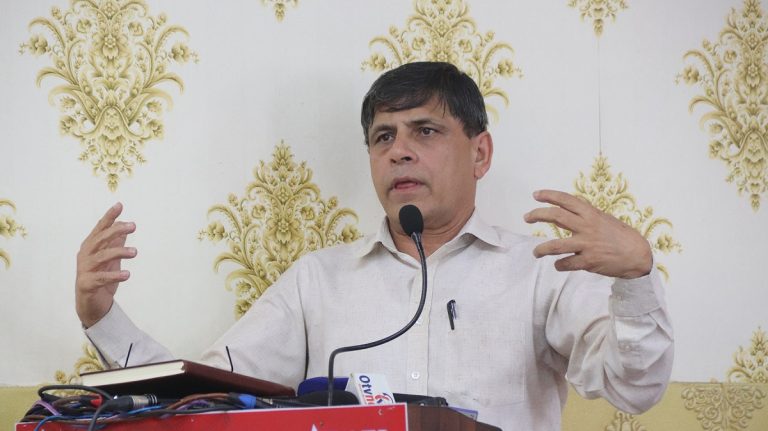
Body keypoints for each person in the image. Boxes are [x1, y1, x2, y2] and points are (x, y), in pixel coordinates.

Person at [75, 62, 673, 430]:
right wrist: (103, 319)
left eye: (426, 131)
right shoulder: (318, 280)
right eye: (383, 136)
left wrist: (637, 277)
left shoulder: (542, 271)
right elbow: (207, 392)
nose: (399, 151)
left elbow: (633, 388)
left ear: (480, 153)